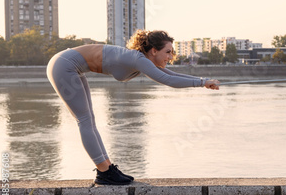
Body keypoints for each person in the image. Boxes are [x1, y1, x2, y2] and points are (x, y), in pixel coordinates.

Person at [46, 30, 220, 185]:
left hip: (69, 66)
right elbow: (168, 80)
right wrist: (203, 83)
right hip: (64, 65)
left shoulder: (141, 61)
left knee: (89, 120)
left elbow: (171, 74)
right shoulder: (138, 59)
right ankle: (104, 172)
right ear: (153, 50)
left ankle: (107, 169)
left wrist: (204, 81)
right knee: (84, 120)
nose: (170, 56)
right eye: (168, 52)